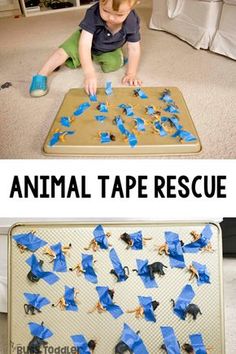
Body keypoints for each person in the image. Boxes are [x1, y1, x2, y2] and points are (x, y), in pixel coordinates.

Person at [30, 0, 142, 97]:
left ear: (134, 5)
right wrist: (89, 74)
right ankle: (41, 75)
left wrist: (131, 74)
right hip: (84, 41)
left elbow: (134, 48)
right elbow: (84, 45)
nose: (111, 18)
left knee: (113, 64)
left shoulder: (132, 20)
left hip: (109, 48)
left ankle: (95, 57)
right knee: (63, 52)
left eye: (119, 14)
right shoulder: (92, 13)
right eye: (106, 11)